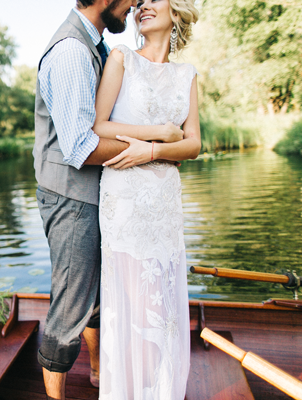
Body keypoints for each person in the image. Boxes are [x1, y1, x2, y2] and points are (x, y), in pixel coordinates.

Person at [92, 0, 201, 398]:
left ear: (178, 10)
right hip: (125, 194)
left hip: (164, 196)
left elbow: (193, 145)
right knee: (133, 301)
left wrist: (152, 151)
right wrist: (159, 132)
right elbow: (99, 124)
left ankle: (161, 389)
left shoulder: (187, 75)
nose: (144, 6)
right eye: (140, 3)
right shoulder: (121, 58)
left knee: (166, 303)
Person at [33, 1, 138, 399]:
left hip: (91, 195)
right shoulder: (72, 51)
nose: (133, 4)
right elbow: (80, 146)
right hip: (70, 198)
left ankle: (96, 371)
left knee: (95, 295)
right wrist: (150, 147)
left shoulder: (96, 46)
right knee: (71, 304)